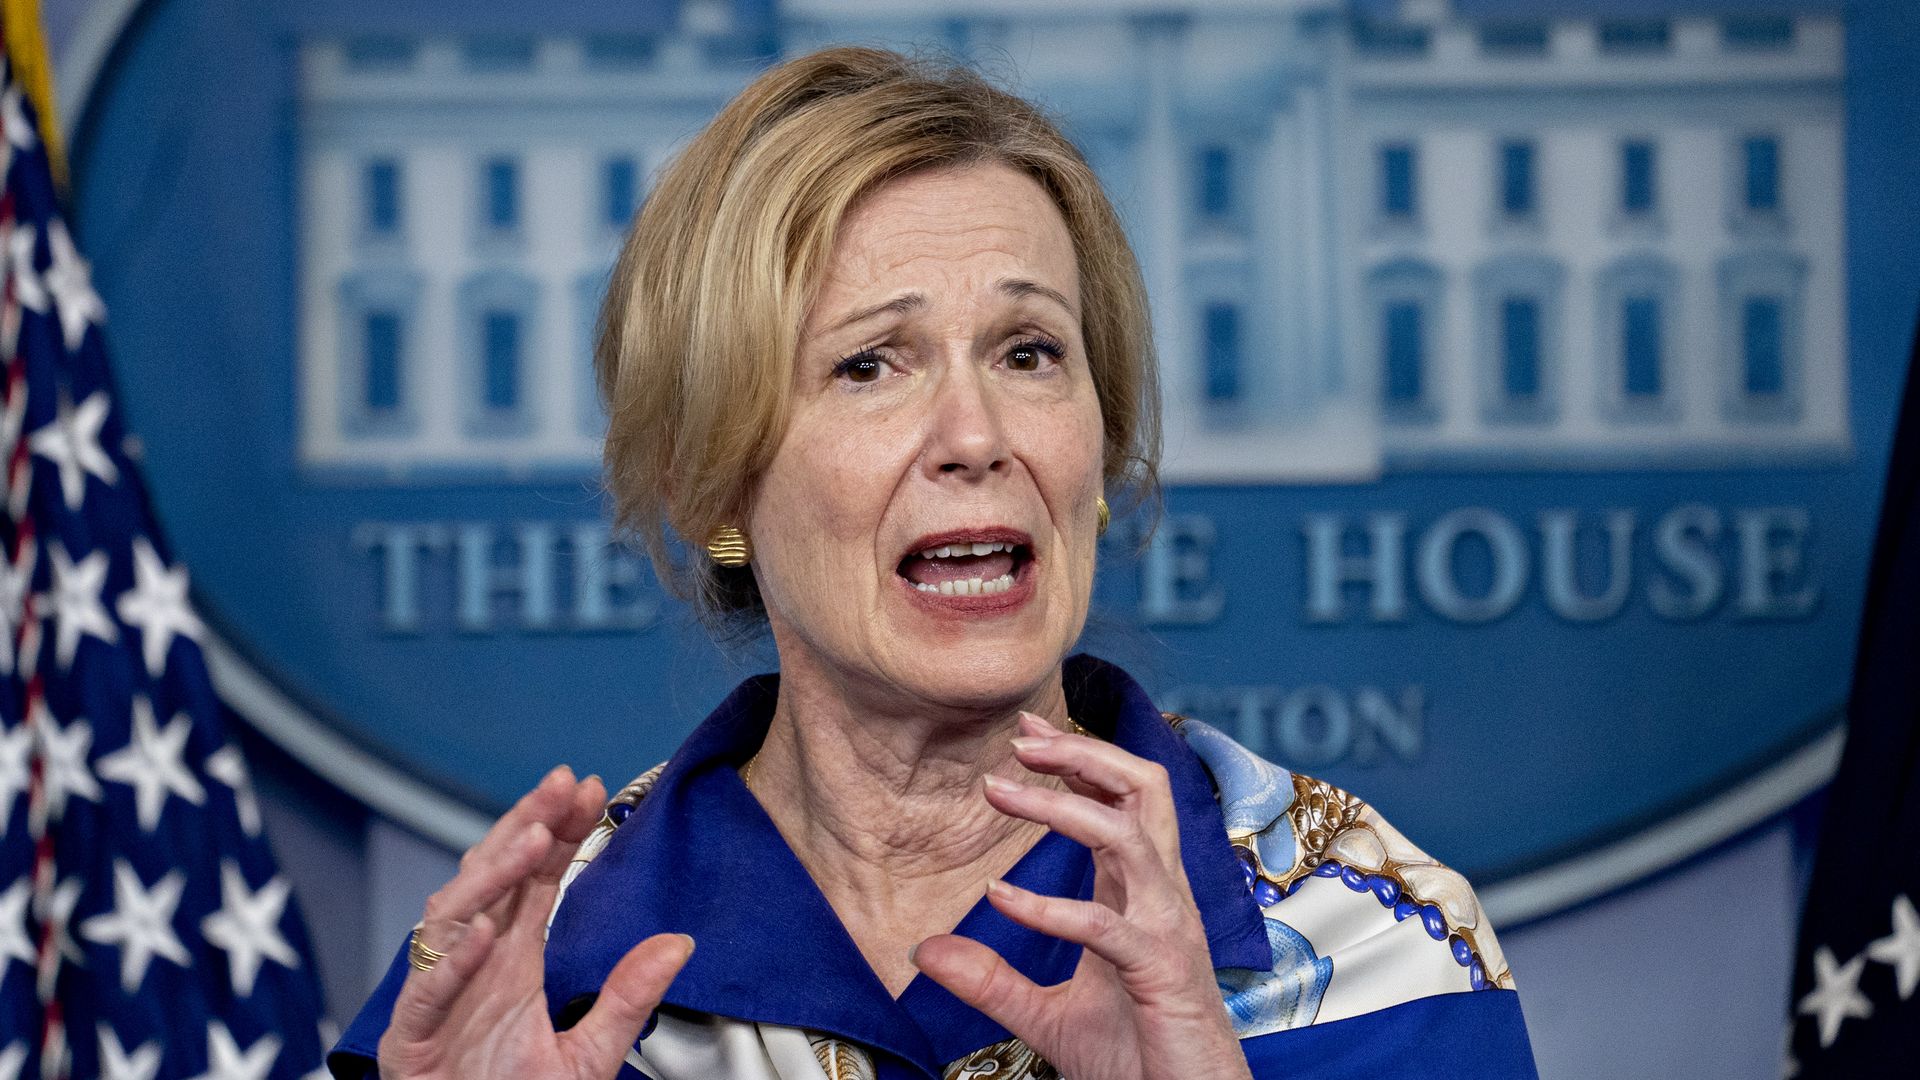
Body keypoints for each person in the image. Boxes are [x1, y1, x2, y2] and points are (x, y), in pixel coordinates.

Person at [329, 46, 1538, 1080]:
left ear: (1099, 452)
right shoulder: (546, 968)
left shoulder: (1361, 942)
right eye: (870, 365)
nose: (977, 438)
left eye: (1028, 352)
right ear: (712, 486)